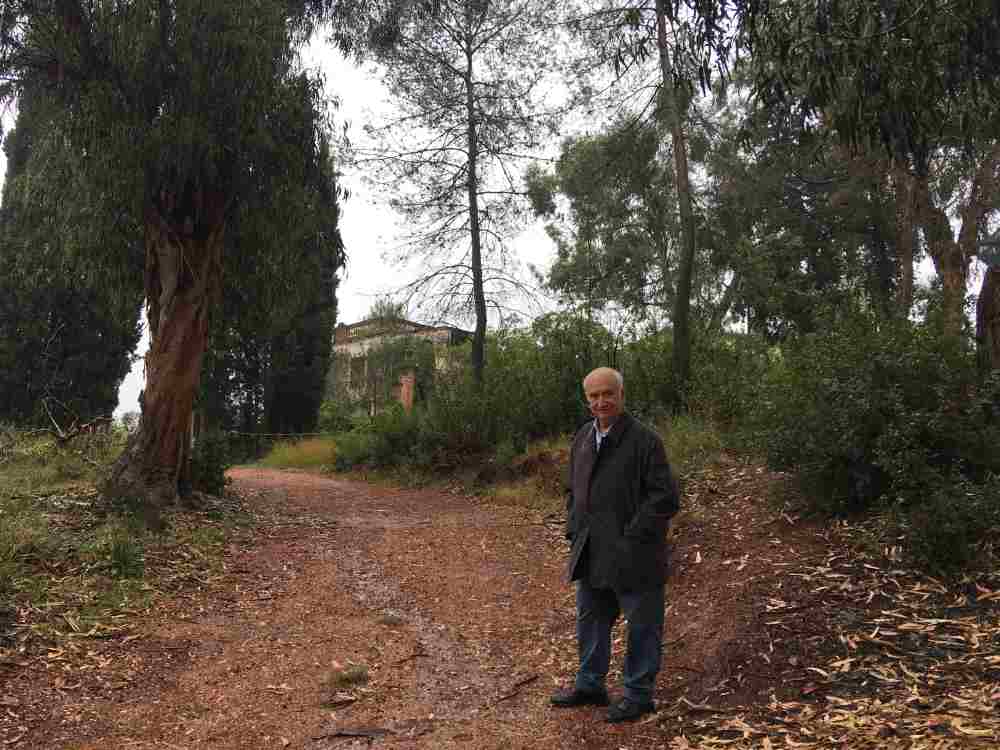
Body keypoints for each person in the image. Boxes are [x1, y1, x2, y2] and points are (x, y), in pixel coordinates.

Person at [550, 367, 680, 722]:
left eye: (608, 393)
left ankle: (638, 695)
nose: (601, 401)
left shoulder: (645, 441)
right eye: (594, 396)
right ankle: (590, 685)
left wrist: (631, 537)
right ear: (586, 399)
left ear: (621, 395)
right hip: (590, 549)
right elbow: (573, 490)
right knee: (591, 620)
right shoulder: (581, 438)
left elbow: (665, 498)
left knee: (642, 624)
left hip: (635, 554)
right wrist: (574, 528)